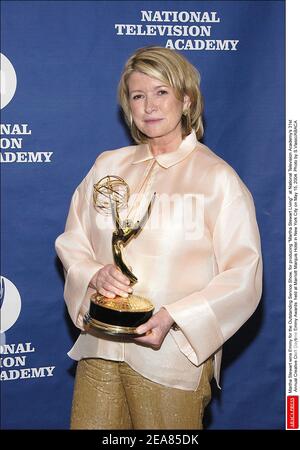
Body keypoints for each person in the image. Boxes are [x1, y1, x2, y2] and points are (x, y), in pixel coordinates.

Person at [55, 46, 262, 430]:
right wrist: (94, 273)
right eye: (138, 95)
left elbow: (242, 275)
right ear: (128, 106)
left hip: (170, 355)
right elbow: (74, 239)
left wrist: (175, 318)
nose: (149, 105)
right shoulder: (107, 165)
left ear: (186, 100)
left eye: (161, 92)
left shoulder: (217, 179)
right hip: (101, 345)